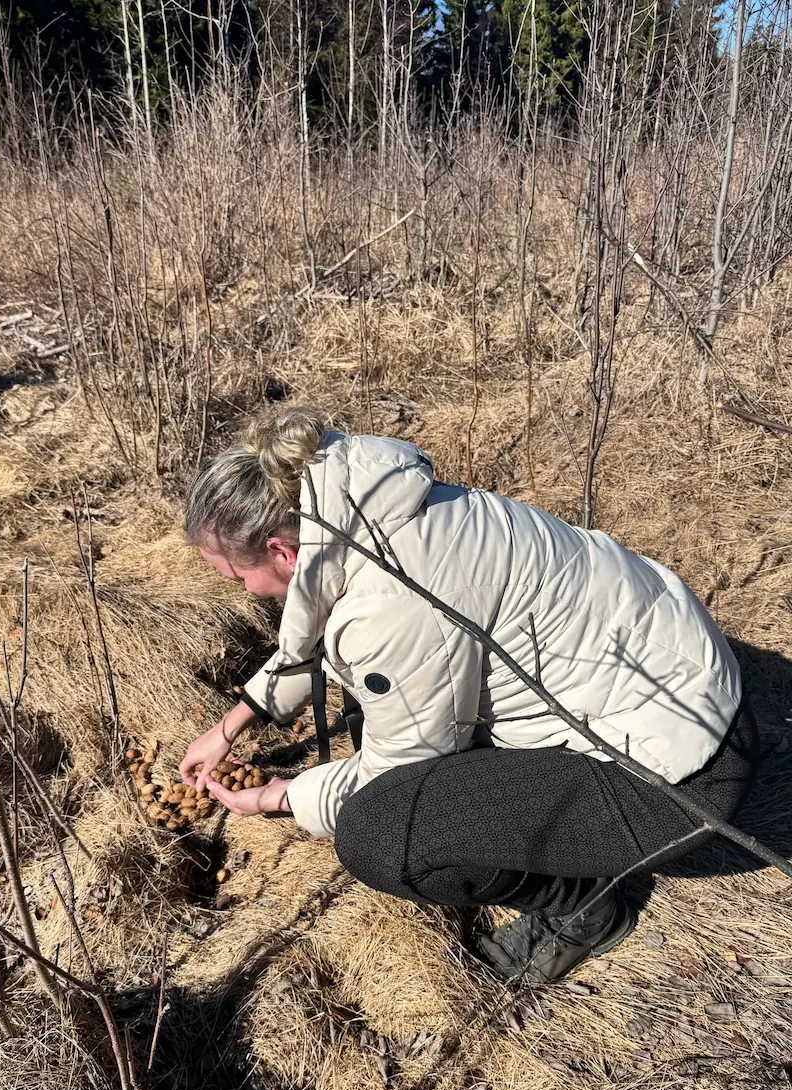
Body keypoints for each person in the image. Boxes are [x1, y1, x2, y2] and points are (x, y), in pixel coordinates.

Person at [180, 407, 758, 983]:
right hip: (685, 699)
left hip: (678, 779)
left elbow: (395, 770)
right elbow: (315, 630)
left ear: (282, 550)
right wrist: (231, 724)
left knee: (379, 833)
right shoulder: (364, 509)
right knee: (371, 703)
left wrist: (284, 797)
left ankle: (585, 911)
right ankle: (528, 839)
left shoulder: (388, 606)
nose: (245, 591)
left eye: (238, 577)